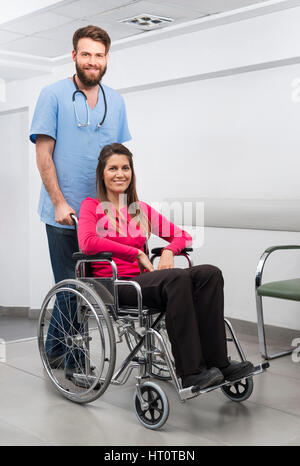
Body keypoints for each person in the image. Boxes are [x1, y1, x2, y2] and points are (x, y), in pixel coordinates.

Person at [78, 143, 254, 390]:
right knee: (176, 278)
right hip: (116, 286)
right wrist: (136, 252)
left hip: (144, 281)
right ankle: (191, 372)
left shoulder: (139, 210)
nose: (120, 174)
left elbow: (183, 236)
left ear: (132, 172)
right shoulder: (91, 206)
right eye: (113, 168)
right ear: (102, 173)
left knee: (209, 273)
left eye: (125, 167)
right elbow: (87, 243)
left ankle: (219, 363)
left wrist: (171, 250)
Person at [30, 26, 131, 365]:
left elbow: (117, 160)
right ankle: (78, 365)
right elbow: (44, 155)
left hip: (98, 216)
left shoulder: (115, 101)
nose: (92, 61)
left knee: (90, 289)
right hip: (63, 213)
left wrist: (120, 207)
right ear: (74, 56)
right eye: (86, 54)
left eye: (99, 56)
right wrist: (59, 202)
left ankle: (55, 349)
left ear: (106, 59)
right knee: (74, 289)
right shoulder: (53, 94)